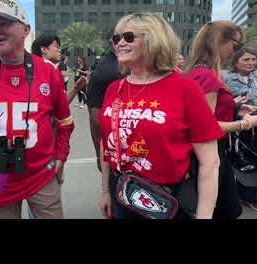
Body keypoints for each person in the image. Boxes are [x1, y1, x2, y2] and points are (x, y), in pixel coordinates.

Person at [98, 13, 223, 220]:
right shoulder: (114, 89)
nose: (119, 43)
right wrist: (105, 192)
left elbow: (210, 162)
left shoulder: (184, 87)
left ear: (153, 40)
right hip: (124, 195)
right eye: (116, 38)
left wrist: (204, 215)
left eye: (128, 37)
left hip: (168, 201)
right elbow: (106, 145)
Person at [0, 0, 74, 219]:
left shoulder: (49, 72)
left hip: (42, 174)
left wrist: (61, 155)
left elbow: (65, 121)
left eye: (5, 23)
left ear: (25, 29)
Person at [185, 20, 257, 219]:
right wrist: (245, 123)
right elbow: (206, 126)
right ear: (218, 41)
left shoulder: (196, 71)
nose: (235, 50)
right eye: (235, 45)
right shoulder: (207, 76)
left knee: (222, 207)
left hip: (201, 153)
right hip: (209, 151)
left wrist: (236, 108)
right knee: (223, 209)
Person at [223, 48, 257, 214]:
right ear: (236, 62)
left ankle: (252, 199)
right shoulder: (225, 78)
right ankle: (232, 195)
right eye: (246, 59)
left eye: (253, 59)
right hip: (232, 127)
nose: (251, 63)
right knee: (231, 163)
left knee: (256, 161)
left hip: (254, 127)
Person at [87, 39, 121, 171]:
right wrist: (99, 156)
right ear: (112, 43)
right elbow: (95, 120)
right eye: (118, 39)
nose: (123, 43)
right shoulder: (107, 70)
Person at [31, 33, 87, 104]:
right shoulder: (32, 73)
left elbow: (61, 106)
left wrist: (75, 89)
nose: (59, 50)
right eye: (56, 46)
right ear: (44, 49)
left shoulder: (55, 73)